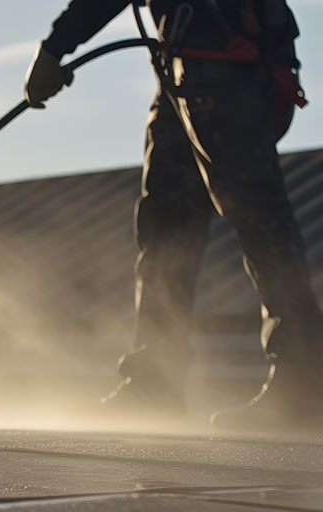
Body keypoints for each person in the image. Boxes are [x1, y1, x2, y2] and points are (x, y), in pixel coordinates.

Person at [23, 0, 322, 431]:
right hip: (187, 63)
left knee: (257, 213)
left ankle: (304, 381)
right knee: (167, 228)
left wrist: (55, 47)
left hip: (221, 55)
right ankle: (154, 386)